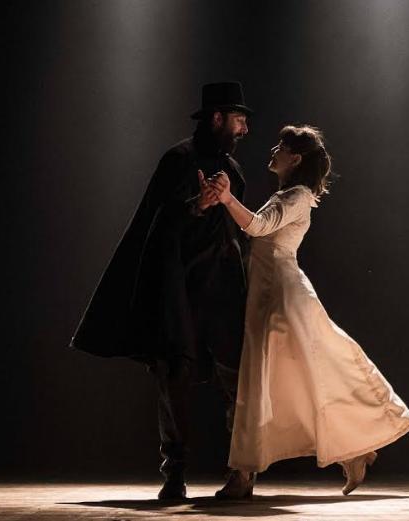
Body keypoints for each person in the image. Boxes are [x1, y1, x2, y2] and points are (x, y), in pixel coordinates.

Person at [207, 125, 409, 498]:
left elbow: (258, 226)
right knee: (291, 379)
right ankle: (350, 451)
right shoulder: (288, 194)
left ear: (295, 158)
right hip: (268, 293)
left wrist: (226, 199)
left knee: (283, 375)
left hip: (282, 296)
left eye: (282, 146)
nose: (274, 149)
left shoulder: (298, 196)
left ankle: (245, 473)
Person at [71, 82, 255, 500]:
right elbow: (156, 220)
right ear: (217, 118)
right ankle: (175, 474)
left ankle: (242, 472)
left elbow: (240, 229)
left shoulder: (233, 169)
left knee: (239, 380)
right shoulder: (179, 160)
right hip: (179, 291)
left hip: (221, 291)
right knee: (174, 377)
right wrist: (197, 205)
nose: (244, 129)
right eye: (239, 119)